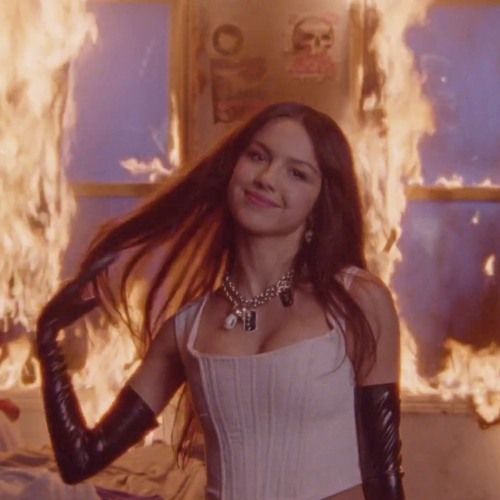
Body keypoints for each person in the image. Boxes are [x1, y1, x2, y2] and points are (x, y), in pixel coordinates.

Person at [36, 101, 404, 499]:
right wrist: (49, 348)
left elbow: (383, 478)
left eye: (297, 173)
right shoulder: (187, 330)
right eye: (258, 156)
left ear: (319, 204)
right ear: (233, 167)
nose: (266, 178)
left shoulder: (357, 302)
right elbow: (81, 459)